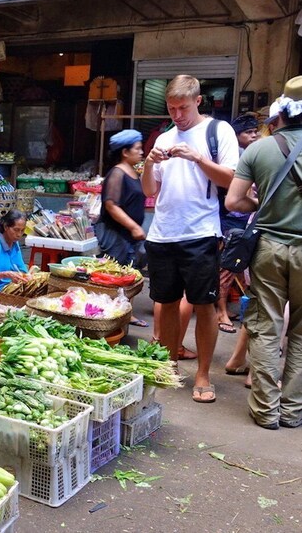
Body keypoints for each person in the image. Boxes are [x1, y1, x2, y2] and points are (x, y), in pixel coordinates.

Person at [141, 74, 239, 404]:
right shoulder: (163, 137)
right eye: (171, 109)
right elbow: (150, 190)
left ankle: (202, 373)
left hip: (200, 232)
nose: (177, 115)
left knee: (204, 304)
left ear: (198, 101)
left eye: (183, 107)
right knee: (166, 302)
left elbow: (230, 179)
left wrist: (197, 158)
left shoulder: (217, 131)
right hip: (163, 233)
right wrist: (148, 164)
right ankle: (169, 364)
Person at [225, 75, 302, 429]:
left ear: (281, 111)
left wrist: (261, 200)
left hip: (269, 248)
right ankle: (293, 411)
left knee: (266, 326)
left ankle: (266, 411)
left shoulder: (259, 148)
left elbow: (234, 200)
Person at [95, 129, 148, 327]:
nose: (141, 152)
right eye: (138, 149)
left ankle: (126, 312)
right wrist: (133, 226)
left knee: (129, 273)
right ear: (125, 152)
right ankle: (112, 317)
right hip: (116, 234)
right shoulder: (117, 173)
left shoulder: (132, 172)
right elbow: (111, 205)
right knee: (117, 275)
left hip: (128, 234)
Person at [216, 114, 258, 334]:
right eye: (248, 132)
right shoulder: (237, 157)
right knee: (228, 268)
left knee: (235, 269)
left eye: (254, 131)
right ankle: (221, 312)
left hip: (243, 221)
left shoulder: (252, 154)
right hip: (231, 221)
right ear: (236, 136)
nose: (253, 136)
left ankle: (224, 309)